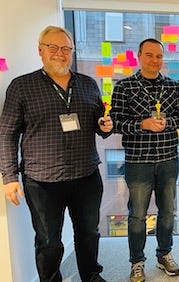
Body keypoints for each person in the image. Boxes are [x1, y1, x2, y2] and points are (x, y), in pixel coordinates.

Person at [0, 25, 113, 282]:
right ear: (41, 51)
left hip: (86, 175)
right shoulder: (22, 86)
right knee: (49, 241)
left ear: (72, 52)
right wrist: (9, 177)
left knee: (89, 234)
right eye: (53, 47)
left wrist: (106, 126)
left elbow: (100, 125)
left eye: (66, 49)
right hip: (42, 181)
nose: (60, 53)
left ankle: (91, 276)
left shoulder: (87, 84)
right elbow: (7, 133)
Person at [110, 38, 179, 282]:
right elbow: (116, 123)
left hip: (168, 159)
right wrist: (141, 125)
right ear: (139, 56)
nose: (155, 60)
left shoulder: (173, 87)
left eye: (159, 56)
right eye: (150, 55)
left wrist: (168, 124)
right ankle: (137, 262)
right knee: (137, 215)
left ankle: (164, 254)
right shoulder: (124, 87)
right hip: (138, 161)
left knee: (168, 212)